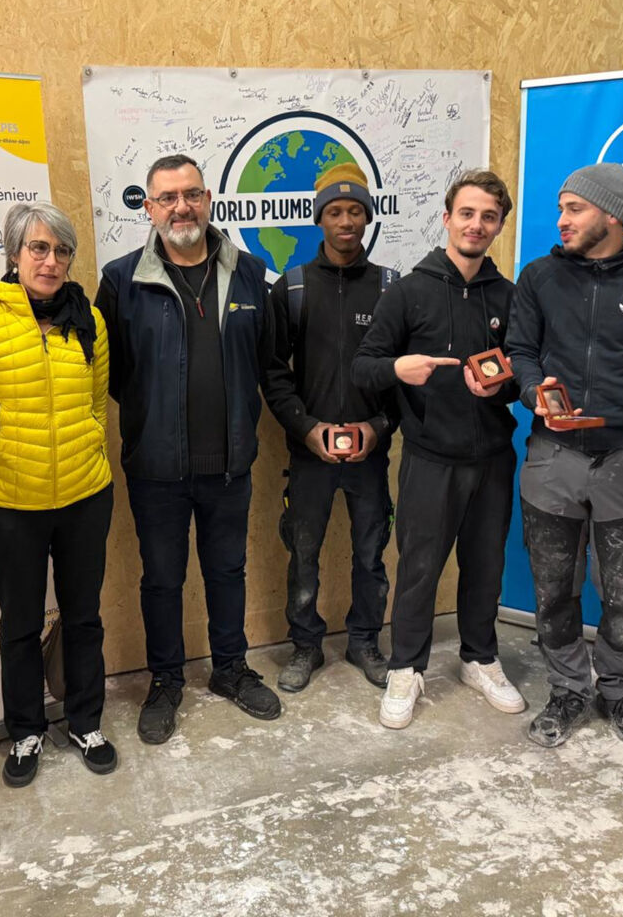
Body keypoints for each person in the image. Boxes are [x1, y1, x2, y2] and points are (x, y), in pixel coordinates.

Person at [96, 153, 279, 744]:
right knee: (162, 580)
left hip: (229, 463)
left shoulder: (249, 272)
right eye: (168, 198)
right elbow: (111, 373)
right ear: (149, 208)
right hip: (157, 468)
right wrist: (154, 420)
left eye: (192, 194)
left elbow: (265, 360)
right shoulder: (122, 280)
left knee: (227, 571)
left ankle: (230, 669)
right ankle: (166, 681)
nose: (182, 207)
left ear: (208, 200)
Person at [506, 163, 623, 749]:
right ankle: (567, 689)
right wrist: (533, 391)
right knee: (553, 590)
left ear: (612, 215)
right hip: (552, 458)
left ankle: (618, 691)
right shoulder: (538, 277)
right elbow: (519, 350)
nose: (561, 220)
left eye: (574, 209)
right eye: (561, 208)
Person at [0, 201, 116, 788]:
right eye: (39, 248)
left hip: (85, 497)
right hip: (11, 505)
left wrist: (92, 456)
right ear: (14, 254)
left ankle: (86, 721)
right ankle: (25, 731)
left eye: (62, 251)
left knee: (84, 616)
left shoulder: (90, 319)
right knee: (18, 624)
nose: (51, 261)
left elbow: (96, 405)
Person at [353, 169, 526, 729]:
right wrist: (397, 368)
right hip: (430, 458)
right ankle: (406, 667)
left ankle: (479, 658)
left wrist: (504, 387)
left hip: (493, 459)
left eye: (489, 217)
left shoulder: (509, 296)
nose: (477, 225)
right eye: (467, 214)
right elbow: (364, 367)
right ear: (448, 218)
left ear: (499, 226)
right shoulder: (408, 292)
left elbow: (523, 375)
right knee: (420, 568)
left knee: (487, 564)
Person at [263, 164, 398, 693]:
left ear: (367, 217)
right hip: (309, 456)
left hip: (371, 455)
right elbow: (274, 375)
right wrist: (306, 429)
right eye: (335, 212)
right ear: (319, 218)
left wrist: (378, 427)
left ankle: (365, 641)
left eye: (355, 211)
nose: (346, 221)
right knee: (303, 554)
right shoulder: (293, 287)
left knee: (370, 554)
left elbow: (404, 377)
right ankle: (305, 646)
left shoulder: (391, 289)